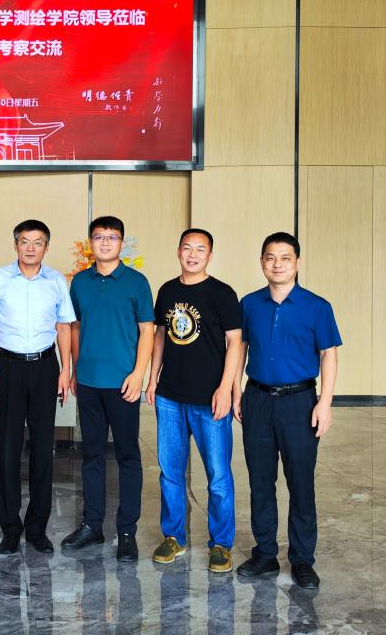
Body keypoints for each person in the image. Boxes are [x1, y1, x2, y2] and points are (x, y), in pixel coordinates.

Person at [234, 232, 341, 590]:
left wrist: (325, 402)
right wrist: (236, 391)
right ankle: (265, 553)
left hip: (300, 402)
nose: (277, 264)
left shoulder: (317, 306)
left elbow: (328, 354)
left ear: (297, 262)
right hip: (258, 398)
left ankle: (302, 559)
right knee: (260, 480)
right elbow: (240, 349)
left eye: (285, 258)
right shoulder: (250, 304)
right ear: (262, 262)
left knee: (301, 481)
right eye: (270, 257)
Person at [145, 228, 243, 572]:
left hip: (209, 400)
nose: (193, 254)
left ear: (210, 256)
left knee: (218, 476)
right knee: (170, 472)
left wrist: (226, 388)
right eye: (187, 248)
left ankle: (221, 544)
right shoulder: (167, 290)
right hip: (170, 397)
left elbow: (235, 343)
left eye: (200, 249)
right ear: (178, 252)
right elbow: (160, 336)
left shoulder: (222, 293)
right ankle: (173, 537)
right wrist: (153, 379)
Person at [61, 216, 154, 562]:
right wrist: (74, 369)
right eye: (99, 237)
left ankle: (127, 531)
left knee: (128, 456)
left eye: (112, 237)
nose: (105, 242)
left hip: (123, 384)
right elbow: (75, 328)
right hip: (88, 382)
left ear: (121, 243)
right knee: (91, 456)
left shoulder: (136, 282)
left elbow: (147, 330)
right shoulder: (80, 282)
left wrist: (138, 374)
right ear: (91, 243)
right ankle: (92, 525)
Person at [0, 219, 75, 555]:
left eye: (38, 242)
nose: (31, 247)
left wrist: (65, 370)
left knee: (42, 447)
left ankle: (37, 528)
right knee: (8, 447)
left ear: (46, 247)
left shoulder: (56, 281)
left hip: (45, 366)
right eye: (25, 241)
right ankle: (10, 527)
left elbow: (64, 327)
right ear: (16, 245)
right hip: (8, 366)